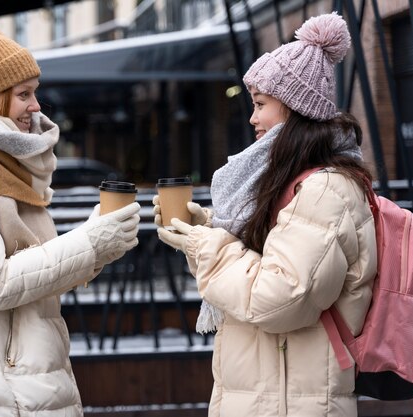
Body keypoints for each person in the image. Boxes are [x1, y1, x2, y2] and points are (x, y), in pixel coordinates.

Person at [0, 15, 140, 416]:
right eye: (23, 94)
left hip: (28, 384)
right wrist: (87, 244)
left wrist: (95, 241)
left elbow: (37, 271)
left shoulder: (9, 167)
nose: (35, 106)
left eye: (35, 92)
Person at [154, 13, 377, 417]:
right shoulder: (287, 183)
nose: (253, 118)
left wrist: (209, 245)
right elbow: (258, 268)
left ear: (294, 109)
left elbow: (279, 299)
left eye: (260, 104)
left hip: (291, 401)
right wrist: (204, 230)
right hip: (266, 392)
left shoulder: (324, 189)